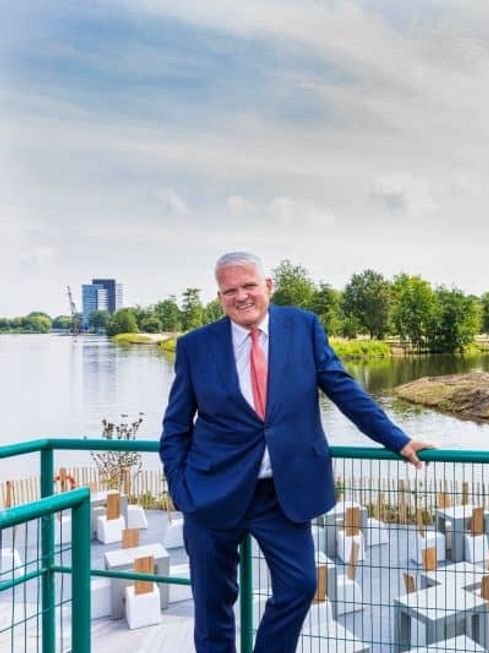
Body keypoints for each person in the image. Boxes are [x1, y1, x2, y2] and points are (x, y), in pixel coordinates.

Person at [160, 252, 433, 653]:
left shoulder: (303, 327)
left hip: (281, 495)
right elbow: (175, 427)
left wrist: (397, 439)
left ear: (268, 286)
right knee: (213, 607)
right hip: (210, 495)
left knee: (300, 585)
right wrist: (182, 491)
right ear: (220, 296)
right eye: (230, 290)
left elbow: (343, 389)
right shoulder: (195, 346)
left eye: (249, 285)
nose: (241, 296)